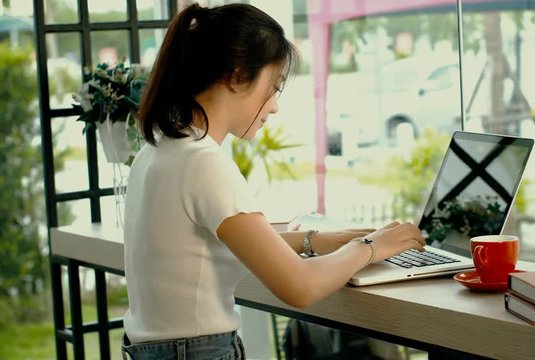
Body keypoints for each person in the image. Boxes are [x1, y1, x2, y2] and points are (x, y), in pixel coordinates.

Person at [121, 3, 425, 359]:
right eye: (274, 86)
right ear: (237, 76)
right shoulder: (203, 164)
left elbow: (223, 245)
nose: (274, 107)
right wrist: (371, 247)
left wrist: (325, 239)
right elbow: (300, 287)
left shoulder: (160, 150)